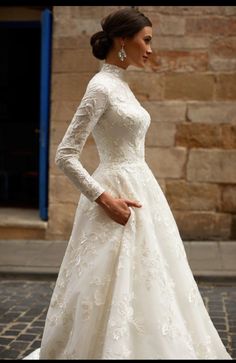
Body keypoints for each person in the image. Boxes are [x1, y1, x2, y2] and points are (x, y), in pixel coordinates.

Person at [24, 7, 232, 359]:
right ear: (123, 40)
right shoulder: (100, 87)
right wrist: (103, 198)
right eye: (146, 40)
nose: (151, 49)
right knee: (110, 282)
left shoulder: (120, 83)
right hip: (114, 193)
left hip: (141, 188)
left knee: (152, 280)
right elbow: (65, 155)